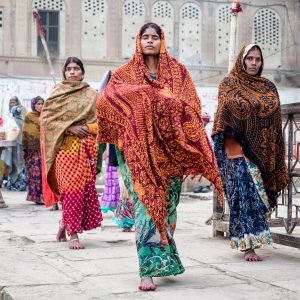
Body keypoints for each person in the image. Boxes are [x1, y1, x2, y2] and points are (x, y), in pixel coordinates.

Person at [96, 23, 223, 291]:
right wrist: (144, 100)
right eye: (145, 37)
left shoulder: (178, 72)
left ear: (162, 41)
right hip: (138, 154)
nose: (150, 41)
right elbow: (106, 101)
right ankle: (147, 270)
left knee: (167, 208)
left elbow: (190, 105)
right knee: (145, 208)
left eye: (155, 37)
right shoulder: (124, 73)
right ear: (138, 41)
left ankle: (162, 258)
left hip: (170, 154)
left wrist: (190, 118)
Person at [212, 44, 288, 261]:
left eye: (258, 59)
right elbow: (224, 114)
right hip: (235, 148)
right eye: (250, 59)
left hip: (262, 151)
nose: (254, 63)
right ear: (242, 60)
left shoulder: (268, 87)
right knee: (243, 195)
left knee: (259, 196)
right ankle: (248, 246)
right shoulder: (229, 83)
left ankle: (256, 239)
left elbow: (273, 120)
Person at [41, 57, 103, 250]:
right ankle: (73, 233)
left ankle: (63, 223)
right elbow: (47, 122)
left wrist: (87, 127)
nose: (72, 72)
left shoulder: (92, 95)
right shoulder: (56, 94)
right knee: (71, 191)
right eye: (69, 69)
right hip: (65, 151)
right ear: (64, 73)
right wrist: (70, 128)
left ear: (82, 73)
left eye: (76, 68)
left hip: (86, 150)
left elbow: (103, 122)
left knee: (81, 192)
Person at [1, 96, 27, 191]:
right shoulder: (9, 118)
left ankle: (20, 183)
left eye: (14, 102)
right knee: (11, 162)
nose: (12, 104)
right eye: (11, 103)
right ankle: (12, 183)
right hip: (11, 144)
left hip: (20, 144)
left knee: (19, 163)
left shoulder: (23, 118)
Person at [22, 96, 44, 204]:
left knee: (43, 173)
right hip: (32, 151)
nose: (40, 106)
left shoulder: (46, 116)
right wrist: (25, 149)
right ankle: (36, 197)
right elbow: (26, 133)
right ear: (33, 105)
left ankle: (44, 197)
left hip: (44, 149)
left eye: (42, 103)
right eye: (38, 104)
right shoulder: (29, 116)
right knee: (35, 174)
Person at [193, 112, 213, 193]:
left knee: (207, 170)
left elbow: (208, 141)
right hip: (203, 153)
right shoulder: (201, 128)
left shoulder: (208, 128)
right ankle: (201, 186)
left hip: (209, 153)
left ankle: (207, 186)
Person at [100, 144, 120, 213]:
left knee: (115, 182)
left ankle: (116, 204)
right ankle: (116, 204)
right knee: (114, 181)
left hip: (112, 154)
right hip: (112, 155)